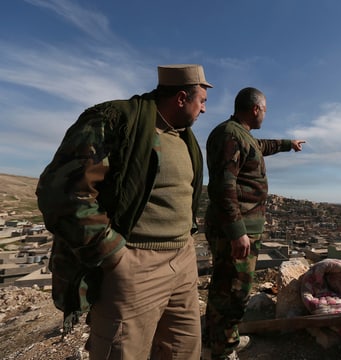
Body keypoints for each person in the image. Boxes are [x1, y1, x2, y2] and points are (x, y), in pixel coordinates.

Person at [36, 64, 213, 360]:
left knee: (183, 351)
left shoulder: (184, 138)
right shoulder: (116, 121)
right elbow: (62, 193)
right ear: (181, 98)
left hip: (182, 261)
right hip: (135, 265)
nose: (204, 110)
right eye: (202, 101)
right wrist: (113, 254)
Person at [203, 87, 305, 359]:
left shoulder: (241, 135)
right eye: (265, 110)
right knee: (235, 291)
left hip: (238, 228)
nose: (266, 115)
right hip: (237, 230)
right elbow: (224, 187)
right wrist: (237, 232)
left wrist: (288, 144)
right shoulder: (230, 136)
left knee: (225, 286)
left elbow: (263, 146)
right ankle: (222, 350)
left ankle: (218, 340)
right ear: (256, 109)